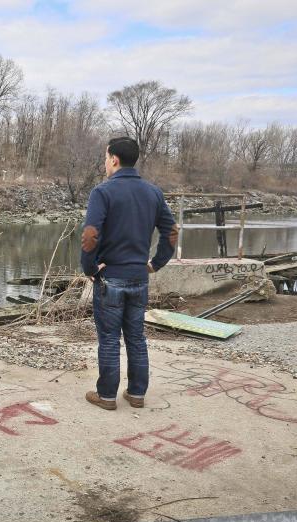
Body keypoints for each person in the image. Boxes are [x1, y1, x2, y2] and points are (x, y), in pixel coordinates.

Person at [80, 136, 177, 411]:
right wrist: (155, 264)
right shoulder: (153, 193)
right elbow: (171, 232)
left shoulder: (103, 191)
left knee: (110, 338)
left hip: (110, 277)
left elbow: (90, 235)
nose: (105, 163)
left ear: (114, 159)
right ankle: (136, 393)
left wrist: (88, 268)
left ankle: (107, 396)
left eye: (105, 157)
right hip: (138, 277)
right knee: (136, 337)